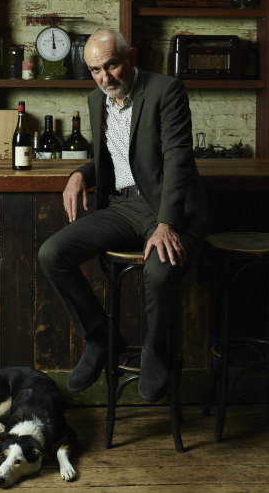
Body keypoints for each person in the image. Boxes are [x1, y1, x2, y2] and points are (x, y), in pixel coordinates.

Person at [38, 29, 209, 402]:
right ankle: (102, 337)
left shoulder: (166, 91)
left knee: (161, 269)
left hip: (164, 207)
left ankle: (155, 347)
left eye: (111, 65)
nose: (105, 78)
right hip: (121, 206)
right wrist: (80, 175)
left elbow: (178, 159)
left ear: (130, 56)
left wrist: (166, 224)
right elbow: (115, 158)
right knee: (52, 254)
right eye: (96, 70)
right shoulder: (96, 100)